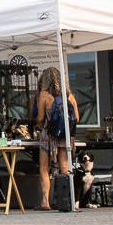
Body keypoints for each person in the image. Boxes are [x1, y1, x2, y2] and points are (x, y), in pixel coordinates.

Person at [35, 67, 79, 211]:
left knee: (44, 169)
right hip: (65, 136)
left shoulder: (44, 95)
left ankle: (45, 202)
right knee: (65, 168)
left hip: (48, 136)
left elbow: (40, 118)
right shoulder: (69, 96)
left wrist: (42, 126)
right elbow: (77, 118)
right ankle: (68, 200)